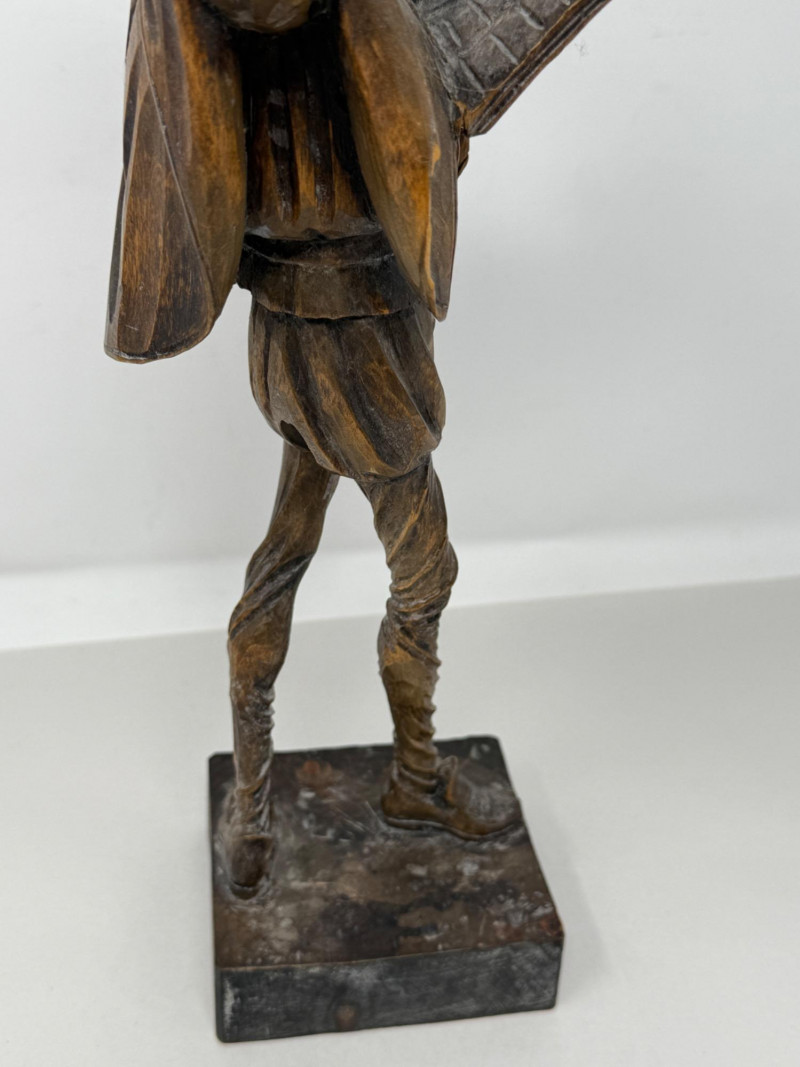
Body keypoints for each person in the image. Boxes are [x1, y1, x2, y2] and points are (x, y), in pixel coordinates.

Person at [106, 0, 613, 893]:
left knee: (285, 550)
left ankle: (254, 807)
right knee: (425, 570)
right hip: (353, 329)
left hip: (325, 311)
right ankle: (409, 778)